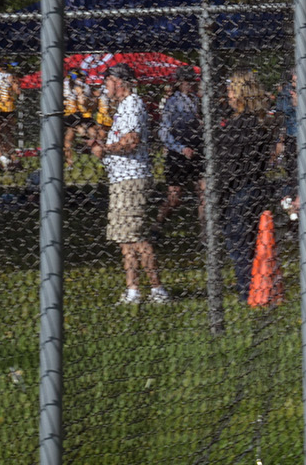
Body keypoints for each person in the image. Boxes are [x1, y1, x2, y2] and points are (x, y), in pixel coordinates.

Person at [91, 64, 168, 305]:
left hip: (131, 178)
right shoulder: (124, 107)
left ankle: (157, 289)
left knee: (136, 235)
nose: (105, 88)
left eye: (107, 82)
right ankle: (133, 289)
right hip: (121, 178)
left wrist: (104, 149)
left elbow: (131, 142)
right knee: (125, 237)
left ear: (118, 82)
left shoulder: (133, 104)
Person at [217, 69, 280, 298]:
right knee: (250, 243)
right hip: (254, 187)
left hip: (238, 190)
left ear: (243, 93)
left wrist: (220, 194)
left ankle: (247, 292)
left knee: (240, 246)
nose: (229, 95)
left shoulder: (241, 124)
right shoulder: (261, 121)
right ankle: (255, 288)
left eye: (233, 90)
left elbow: (230, 166)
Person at [152, 71, 205, 241]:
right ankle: (157, 225)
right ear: (179, 82)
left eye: (191, 80)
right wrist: (180, 148)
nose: (190, 84)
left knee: (203, 193)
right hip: (178, 154)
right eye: (186, 81)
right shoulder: (172, 103)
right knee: (175, 198)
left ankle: (205, 234)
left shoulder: (196, 100)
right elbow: (164, 132)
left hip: (196, 152)